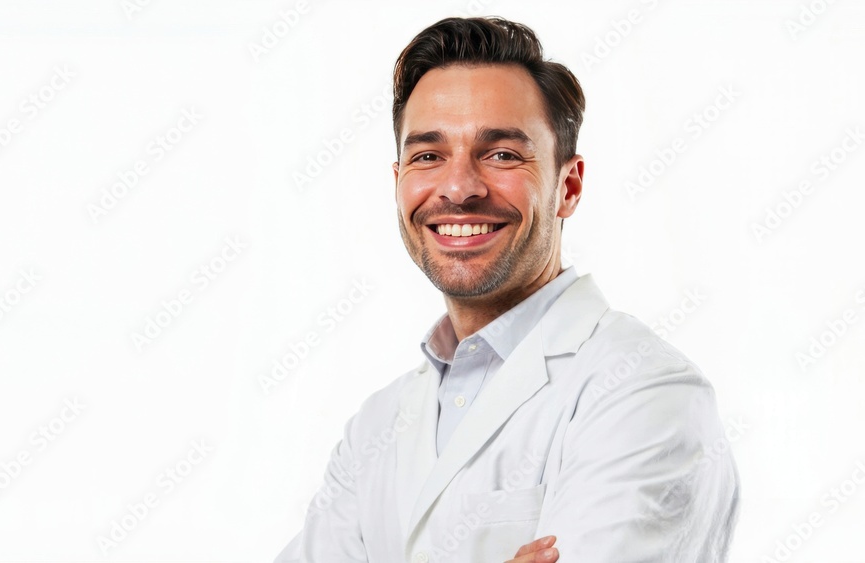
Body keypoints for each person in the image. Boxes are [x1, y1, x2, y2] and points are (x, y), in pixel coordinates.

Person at [275, 16, 738, 563]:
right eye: (428, 156)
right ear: (398, 181)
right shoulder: (376, 427)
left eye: (501, 154)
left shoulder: (644, 392)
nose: (458, 188)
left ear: (568, 186)